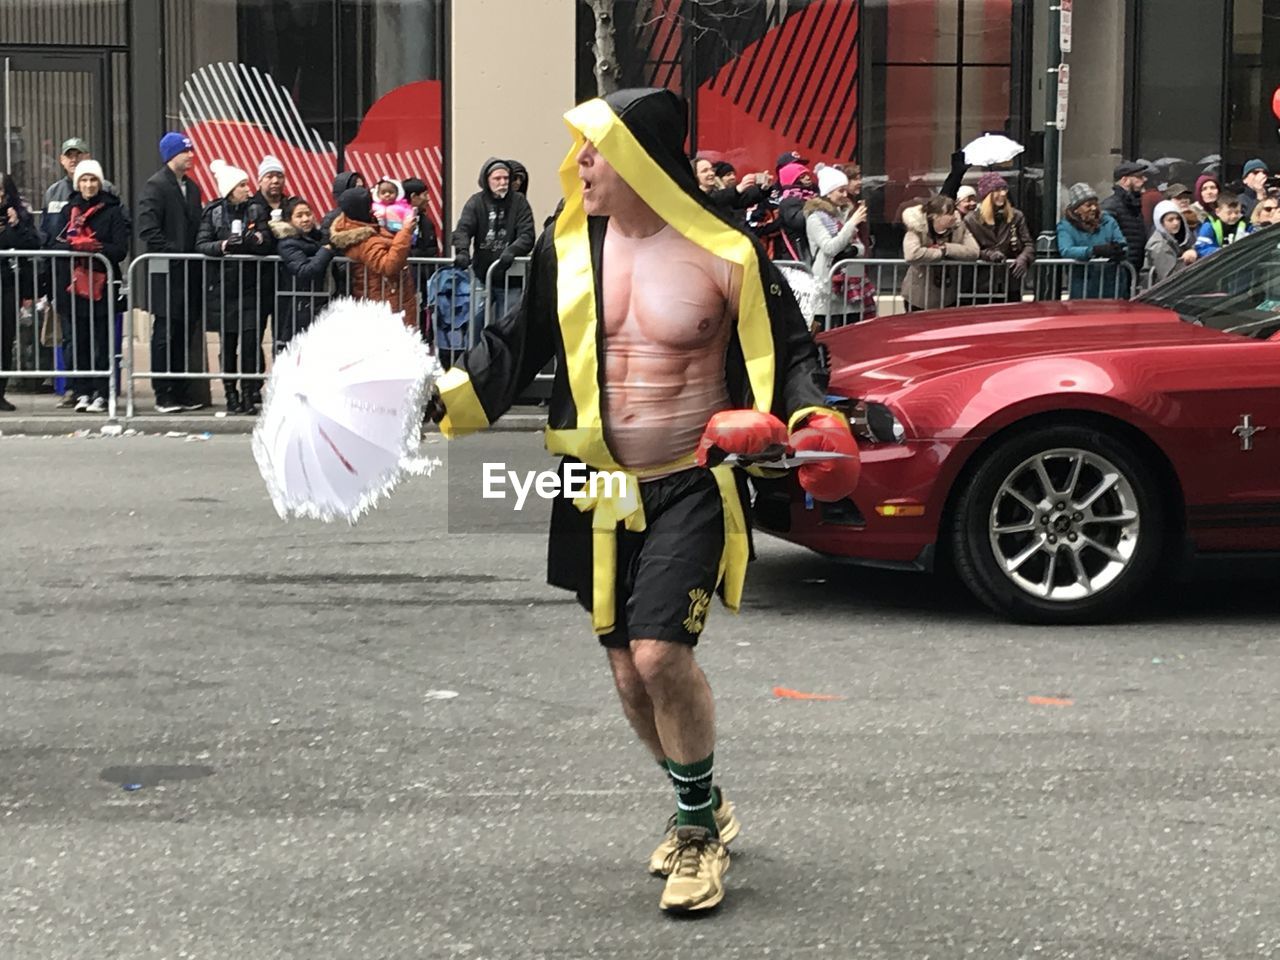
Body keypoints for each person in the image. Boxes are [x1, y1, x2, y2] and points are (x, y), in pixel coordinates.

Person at [426, 87, 858, 914]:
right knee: (628, 674)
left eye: (595, 149)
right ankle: (702, 799)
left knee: (662, 655)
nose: (580, 164)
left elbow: (795, 351)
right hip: (594, 489)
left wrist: (810, 417)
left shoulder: (726, 251)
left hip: (691, 479)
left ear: (638, 161)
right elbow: (513, 352)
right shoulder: (570, 247)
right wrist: (438, 400)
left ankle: (695, 835)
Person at [42, 137, 120, 407]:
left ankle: (102, 391)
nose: (88, 185)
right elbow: (50, 238)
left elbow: (120, 246)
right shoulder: (62, 203)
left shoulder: (112, 207)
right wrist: (72, 247)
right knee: (75, 340)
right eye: (84, 181)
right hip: (70, 284)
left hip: (100, 285)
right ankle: (79, 390)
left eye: (92, 180)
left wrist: (95, 247)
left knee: (100, 340)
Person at [195, 159, 274, 414]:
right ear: (229, 189)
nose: (246, 189)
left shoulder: (255, 210)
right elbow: (202, 244)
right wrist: (223, 246)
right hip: (223, 288)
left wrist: (255, 240)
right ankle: (231, 393)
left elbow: (267, 241)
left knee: (251, 343)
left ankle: (251, 393)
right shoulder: (213, 212)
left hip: (251, 286)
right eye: (241, 185)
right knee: (227, 345)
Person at [136, 131, 206, 413]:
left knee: (184, 332)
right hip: (168, 272)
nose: (190, 156)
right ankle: (163, 391)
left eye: (190, 151)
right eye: (184, 151)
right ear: (170, 155)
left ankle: (180, 389)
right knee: (165, 331)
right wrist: (174, 252)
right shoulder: (155, 187)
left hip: (189, 271)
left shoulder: (192, 188)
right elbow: (147, 229)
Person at [450, 158, 535, 321]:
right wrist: (462, 251)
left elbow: (527, 234)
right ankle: (476, 348)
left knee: (508, 325)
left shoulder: (519, 202)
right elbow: (463, 229)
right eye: (497, 178)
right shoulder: (476, 202)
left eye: (506, 178)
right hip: (482, 275)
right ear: (486, 180)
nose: (502, 182)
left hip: (510, 280)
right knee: (474, 321)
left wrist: (512, 251)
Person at [327, 186, 420, 328]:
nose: (372, 208)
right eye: (368, 205)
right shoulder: (363, 240)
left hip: (389, 297)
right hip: (384, 301)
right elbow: (388, 266)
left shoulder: (362, 226)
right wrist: (405, 232)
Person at [805, 165, 869, 330]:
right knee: (829, 333)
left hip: (851, 283)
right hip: (828, 285)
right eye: (840, 191)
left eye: (845, 190)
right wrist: (852, 224)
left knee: (853, 331)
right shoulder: (815, 218)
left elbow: (860, 246)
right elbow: (830, 248)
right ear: (828, 192)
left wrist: (854, 250)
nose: (845, 195)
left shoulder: (845, 214)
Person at [0, 172, 41, 412]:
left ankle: (0, 391)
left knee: (5, 339)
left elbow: (34, 243)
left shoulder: (18, 214)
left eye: (3, 191)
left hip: (7, 284)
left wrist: (15, 225)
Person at [270, 196, 334, 352]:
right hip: (297, 307)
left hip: (318, 304)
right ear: (289, 220)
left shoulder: (318, 238)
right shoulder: (287, 243)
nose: (306, 219)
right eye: (299, 216)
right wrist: (326, 252)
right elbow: (305, 271)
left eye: (308, 214)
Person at [963, 172, 1034, 303]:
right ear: (986, 195)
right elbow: (969, 249)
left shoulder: (1016, 216)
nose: (1002, 194)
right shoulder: (971, 220)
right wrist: (989, 254)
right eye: (997, 190)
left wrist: (1023, 258)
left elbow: (1028, 244)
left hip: (1010, 280)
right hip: (982, 283)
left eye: (1004, 189)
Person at [901, 193, 979, 311]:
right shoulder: (917, 226)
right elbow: (911, 254)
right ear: (935, 216)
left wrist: (947, 248)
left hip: (947, 295)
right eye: (949, 214)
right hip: (918, 295)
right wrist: (939, 254)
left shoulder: (959, 226)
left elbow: (974, 251)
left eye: (953, 212)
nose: (954, 216)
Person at [1055, 182, 1129, 299]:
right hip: (1083, 282)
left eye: (1095, 204)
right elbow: (1066, 250)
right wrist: (1092, 250)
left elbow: (1121, 242)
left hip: (1111, 280)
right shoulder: (1066, 226)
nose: (1094, 208)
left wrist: (1119, 250)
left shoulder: (1108, 221)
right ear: (1076, 209)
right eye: (1088, 205)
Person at [401, 176, 442, 339]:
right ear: (413, 197)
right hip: (406, 280)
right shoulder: (396, 220)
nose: (428, 199)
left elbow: (431, 250)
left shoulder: (426, 222)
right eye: (425, 195)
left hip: (425, 282)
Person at [1101, 161, 1150, 274]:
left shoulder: (1133, 205)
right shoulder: (1111, 206)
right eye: (1138, 177)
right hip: (1118, 269)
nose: (1144, 180)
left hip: (1130, 268)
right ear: (1124, 180)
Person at [1143, 199, 1197, 283]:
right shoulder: (1159, 245)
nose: (1176, 223)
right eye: (1170, 220)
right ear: (1161, 223)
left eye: (1178, 219)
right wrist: (1185, 260)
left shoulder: (1175, 238)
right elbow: (1169, 277)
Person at [1196, 192, 1252, 258]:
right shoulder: (1209, 226)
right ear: (1218, 212)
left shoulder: (1246, 224)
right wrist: (1220, 252)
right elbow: (1202, 247)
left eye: (1237, 212)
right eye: (1229, 213)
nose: (1234, 216)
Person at [319, 171, 365, 245]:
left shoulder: (369, 215)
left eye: (362, 187)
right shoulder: (331, 219)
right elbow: (326, 246)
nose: (361, 191)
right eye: (356, 188)